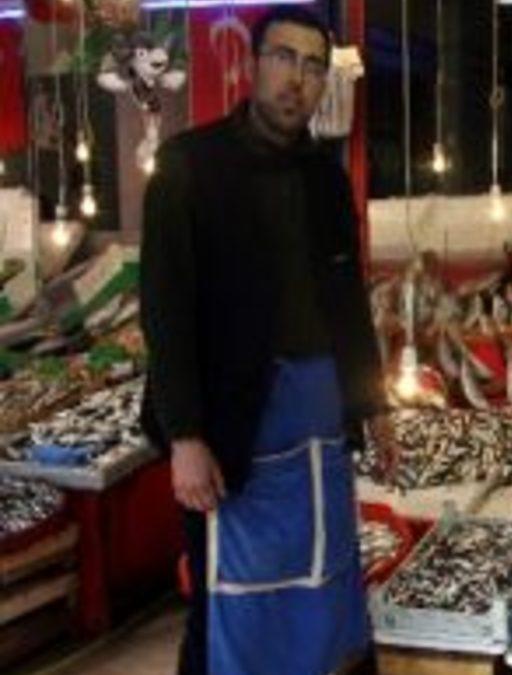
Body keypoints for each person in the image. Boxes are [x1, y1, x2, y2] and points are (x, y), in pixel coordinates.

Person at [139, 7, 394, 674]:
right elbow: (165, 312)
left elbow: (345, 299)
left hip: (316, 422)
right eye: (284, 58)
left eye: (313, 66)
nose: (297, 79)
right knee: (228, 606)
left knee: (324, 588)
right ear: (252, 65)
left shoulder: (326, 178)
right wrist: (185, 436)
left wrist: (373, 403)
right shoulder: (188, 166)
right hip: (229, 428)